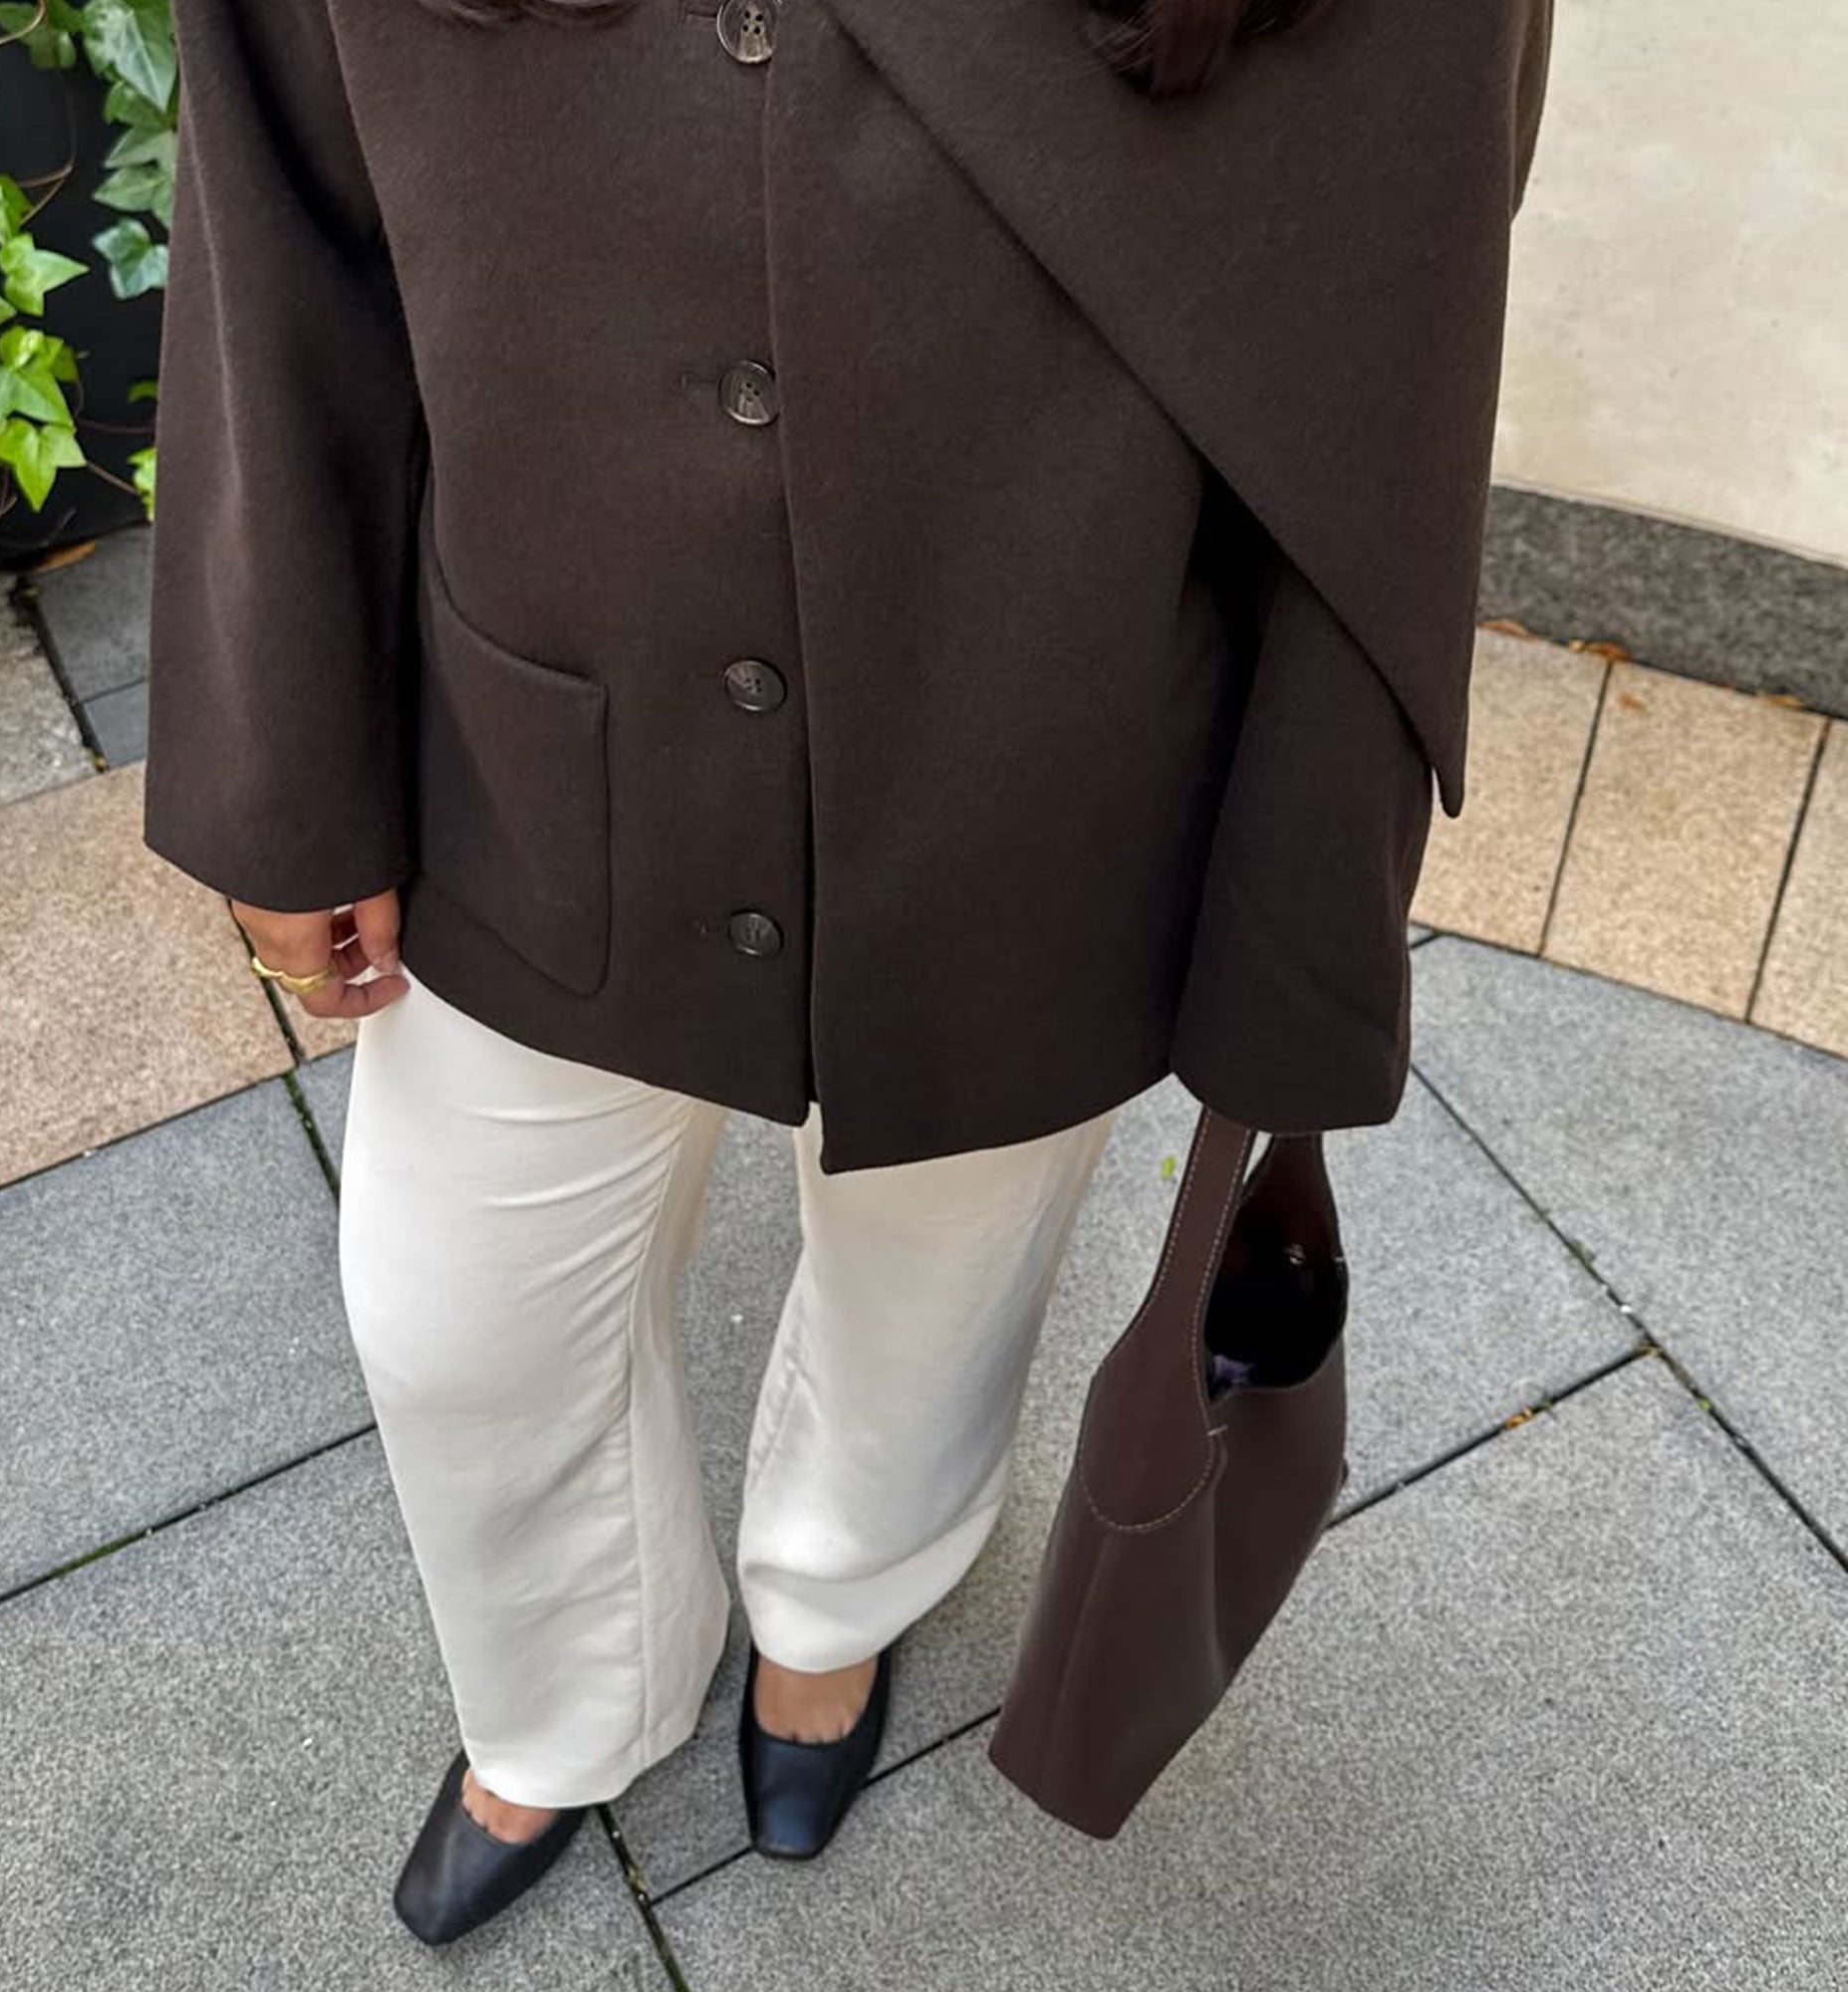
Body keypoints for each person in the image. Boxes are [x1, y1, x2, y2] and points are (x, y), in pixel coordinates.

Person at [143, 0, 1553, 1950]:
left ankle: (838, 1599)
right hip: (535, 727)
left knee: (939, 1278)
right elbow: (275, 212)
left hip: (1042, 722)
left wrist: (1302, 829)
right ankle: (570, 1689)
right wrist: (286, 771)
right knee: (455, 1313)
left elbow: (1391, 284)